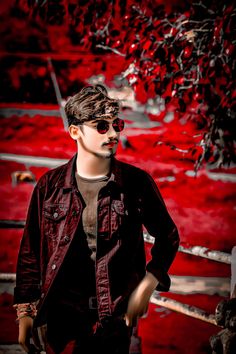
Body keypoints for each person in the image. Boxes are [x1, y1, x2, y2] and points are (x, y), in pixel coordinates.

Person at [13, 84, 180, 354]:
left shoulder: (136, 183)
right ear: (75, 131)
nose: (113, 133)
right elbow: (30, 252)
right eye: (101, 126)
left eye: (117, 124)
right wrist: (25, 312)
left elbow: (168, 236)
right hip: (60, 320)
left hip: (113, 320)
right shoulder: (49, 186)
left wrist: (146, 286)